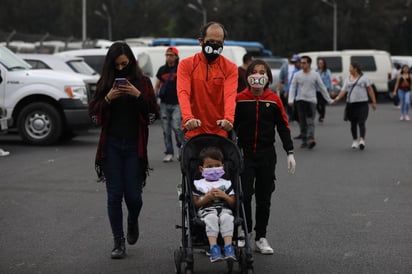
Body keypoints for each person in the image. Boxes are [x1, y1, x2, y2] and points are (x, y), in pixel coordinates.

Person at [88, 42, 159, 259]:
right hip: (110, 147)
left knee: (134, 198)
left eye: (124, 64)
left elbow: (152, 115)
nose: (120, 69)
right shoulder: (105, 83)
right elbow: (93, 116)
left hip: (134, 147)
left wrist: (138, 95)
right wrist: (108, 98)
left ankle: (132, 220)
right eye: (116, 66)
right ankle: (118, 242)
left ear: (131, 62)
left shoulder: (144, 83)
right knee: (114, 196)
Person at [234, 59, 296, 254]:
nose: (258, 76)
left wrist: (290, 152)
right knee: (244, 194)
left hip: (267, 155)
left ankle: (261, 236)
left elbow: (283, 127)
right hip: (244, 153)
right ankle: (244, 232)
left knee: (264, 197)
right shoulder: (239, 99)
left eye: (263, 72)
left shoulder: (274, 99)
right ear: (248, 76)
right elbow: (231, 126)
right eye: (255, 72)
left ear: (268, 77)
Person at [177, 21, 238, 139]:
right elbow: (183, 93)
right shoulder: (186, 65)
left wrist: (229, 119)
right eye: (211, 42)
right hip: (193, 131)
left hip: (220, 132)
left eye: (219, 42)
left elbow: (230, 96)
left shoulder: (230, 68)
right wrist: (188, 118)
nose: (215, 45)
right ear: (201, 41)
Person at [192, 146, 236, 262]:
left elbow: (233, 203)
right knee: (211, 218)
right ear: (202, 169)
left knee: (227, 218)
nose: (214, 169)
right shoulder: (198, 184)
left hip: (224, 209)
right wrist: (207, 198)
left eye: (217, 166)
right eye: (209, 167)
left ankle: (228, 247)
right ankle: (214, 247)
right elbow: (195, 204)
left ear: (223, 166)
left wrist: (224, 196)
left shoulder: (226, 183)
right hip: (206, 210)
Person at [288, 55, 333, 149]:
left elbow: (322, 87)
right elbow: (292, 87)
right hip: (300, 101)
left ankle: (311, 139)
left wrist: (329, 100)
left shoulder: (315, 75)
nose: (302, 64)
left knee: (310, 121)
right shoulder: (297, 75)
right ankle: (304, 140)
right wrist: (291, 99)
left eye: (304, 63)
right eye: (301, 63)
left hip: (311, 101)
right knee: (302, 122)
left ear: (309, 64)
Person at [333, 62, 377, 150]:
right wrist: (337, 99)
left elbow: (370, 90)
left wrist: (373, 102)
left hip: (362, 103)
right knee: (353, 123)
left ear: (355, 69)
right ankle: (355, 140)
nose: (349, 69)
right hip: (351, 104)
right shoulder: (347, 79)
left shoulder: (364, 78)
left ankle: (362, 140)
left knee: (361, 121)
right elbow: (343, 91)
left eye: (350, 67)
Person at [154, 46, 184, 162]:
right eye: (167, 55)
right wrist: (154, 96)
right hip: (164, 103)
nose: (169, 57)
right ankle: (169, 152)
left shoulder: (180, 69)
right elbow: (157, 84)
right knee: (166, 129)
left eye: (171, 55)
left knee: (177, 127)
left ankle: (181, 149)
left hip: (177, 103)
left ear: (176, 57)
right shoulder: (162, 70)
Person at [315, 58, 333, 123]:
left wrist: (331, 90)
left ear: (324, 64)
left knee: (322, 104)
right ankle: (320, 113)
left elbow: (331, 80)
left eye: (321, 63)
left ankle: (322, 116)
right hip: (317, 90)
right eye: (319, 63)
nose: (320, 64)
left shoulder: (327, 71)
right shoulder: (316, 71)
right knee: (316, 104)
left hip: (324, 90)